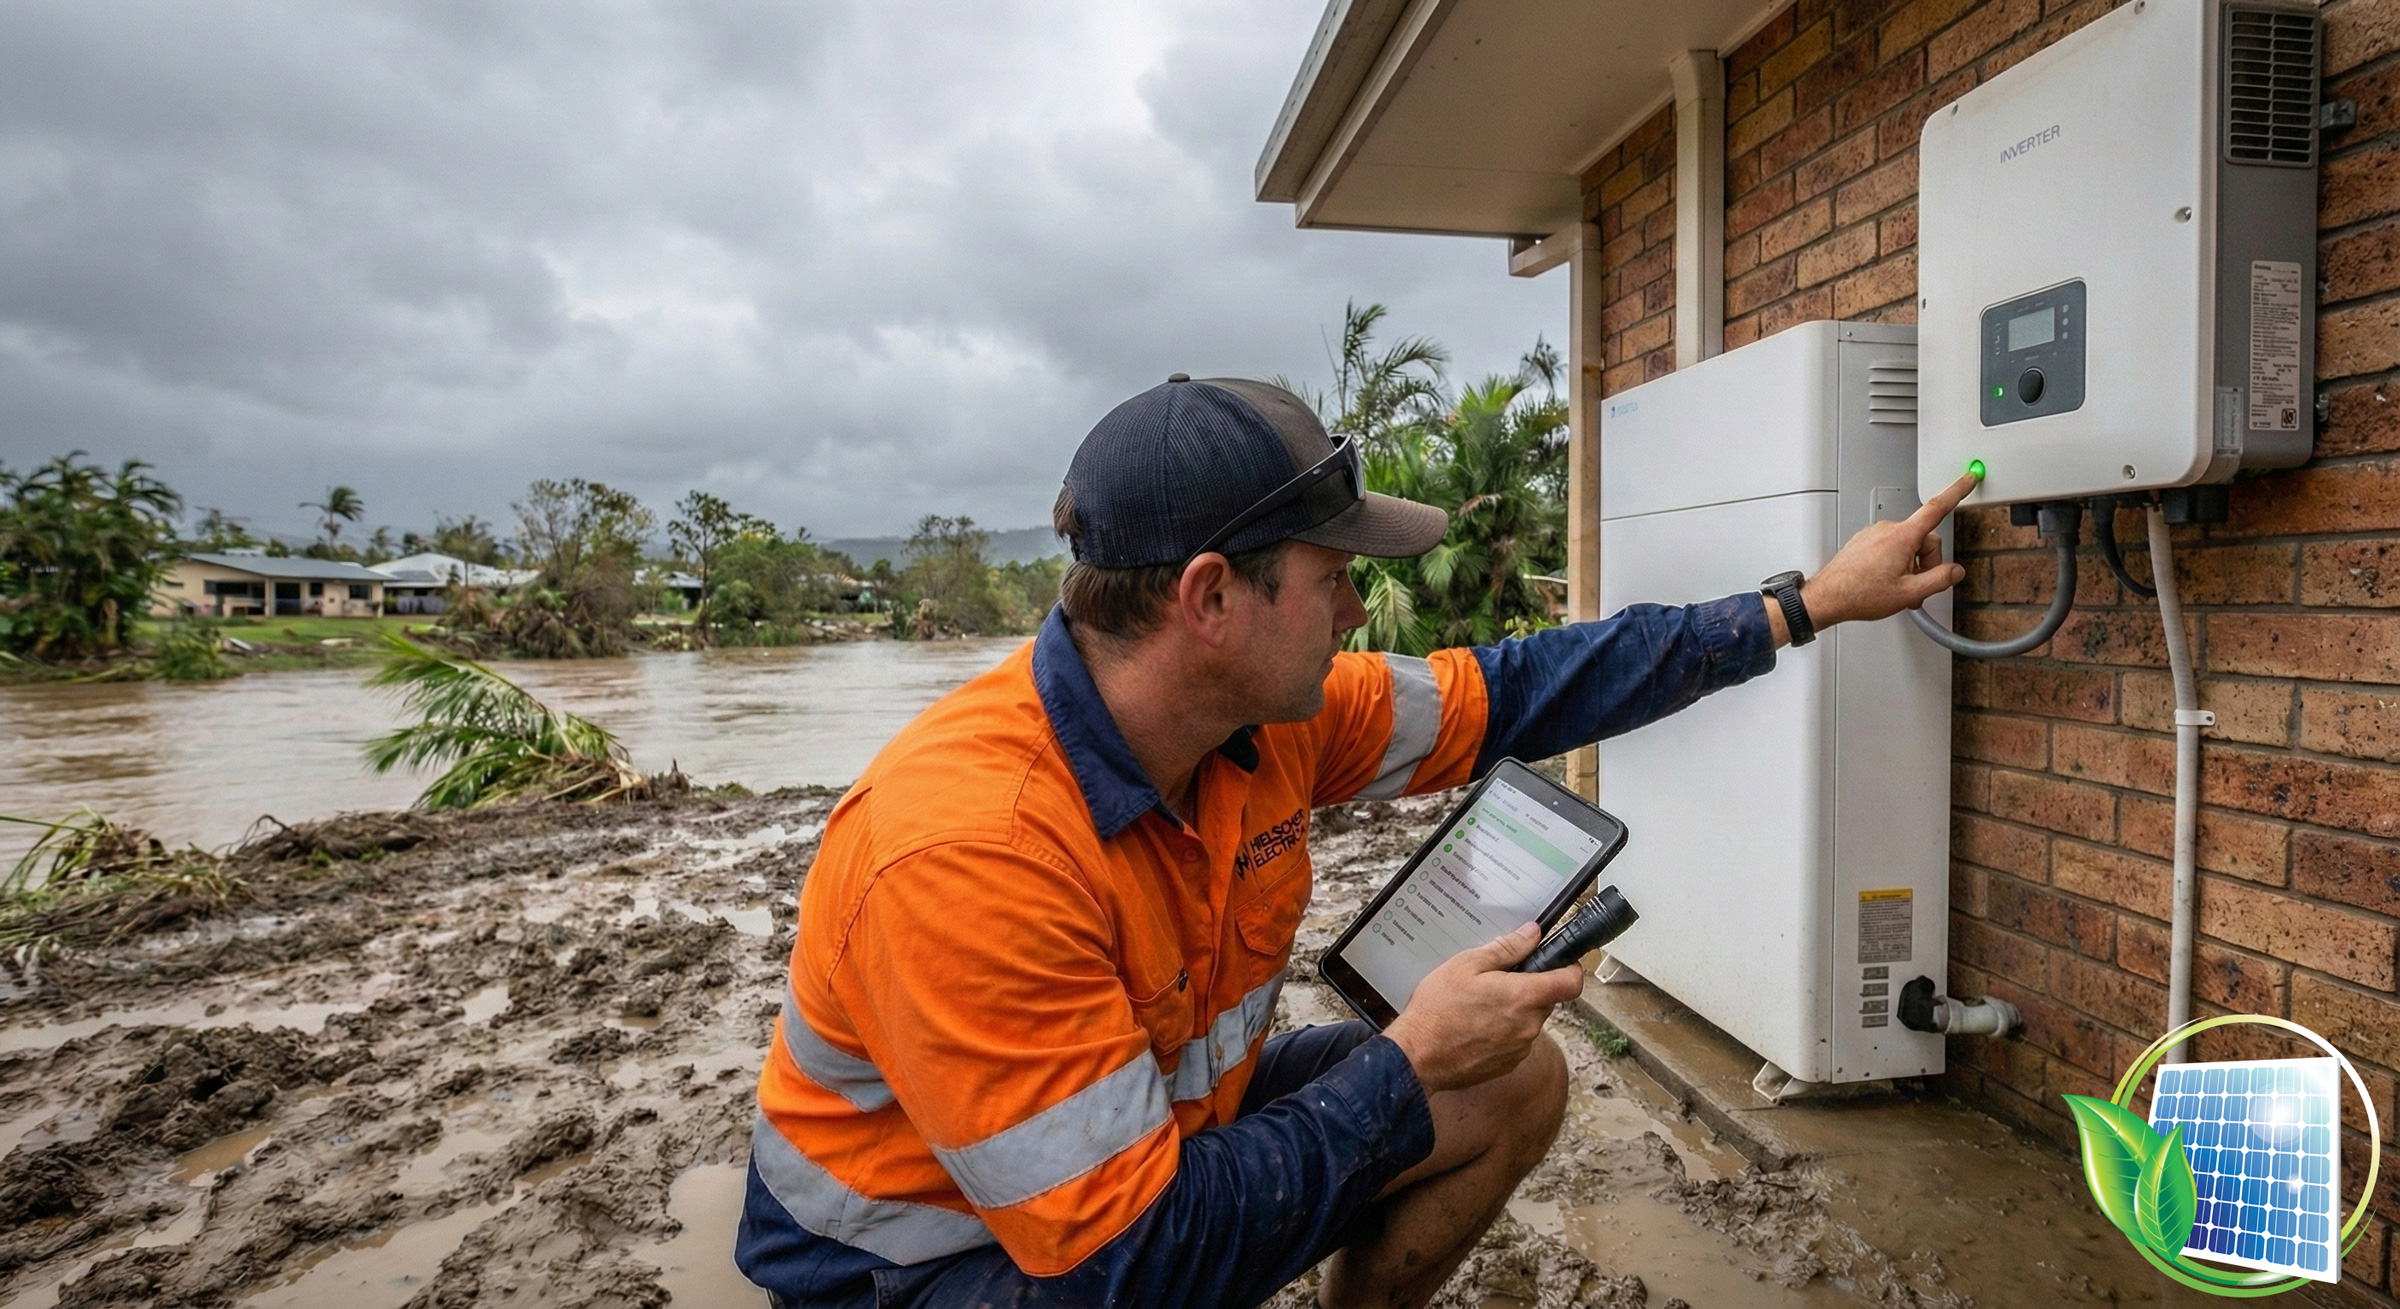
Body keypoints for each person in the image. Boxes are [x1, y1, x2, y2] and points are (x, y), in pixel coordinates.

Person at [737, 374, 1975, 1308]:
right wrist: (1405, 1061)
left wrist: (1803, 604)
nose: (1355, 608)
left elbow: (1529, 686)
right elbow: (1130, 1260)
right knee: (1417, 1078)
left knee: (1507, 1077)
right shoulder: (970, 852)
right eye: (1333, 577)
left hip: (1145, 1144)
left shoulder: (1270, 717)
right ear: (1212, 599)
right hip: (923, 1262)